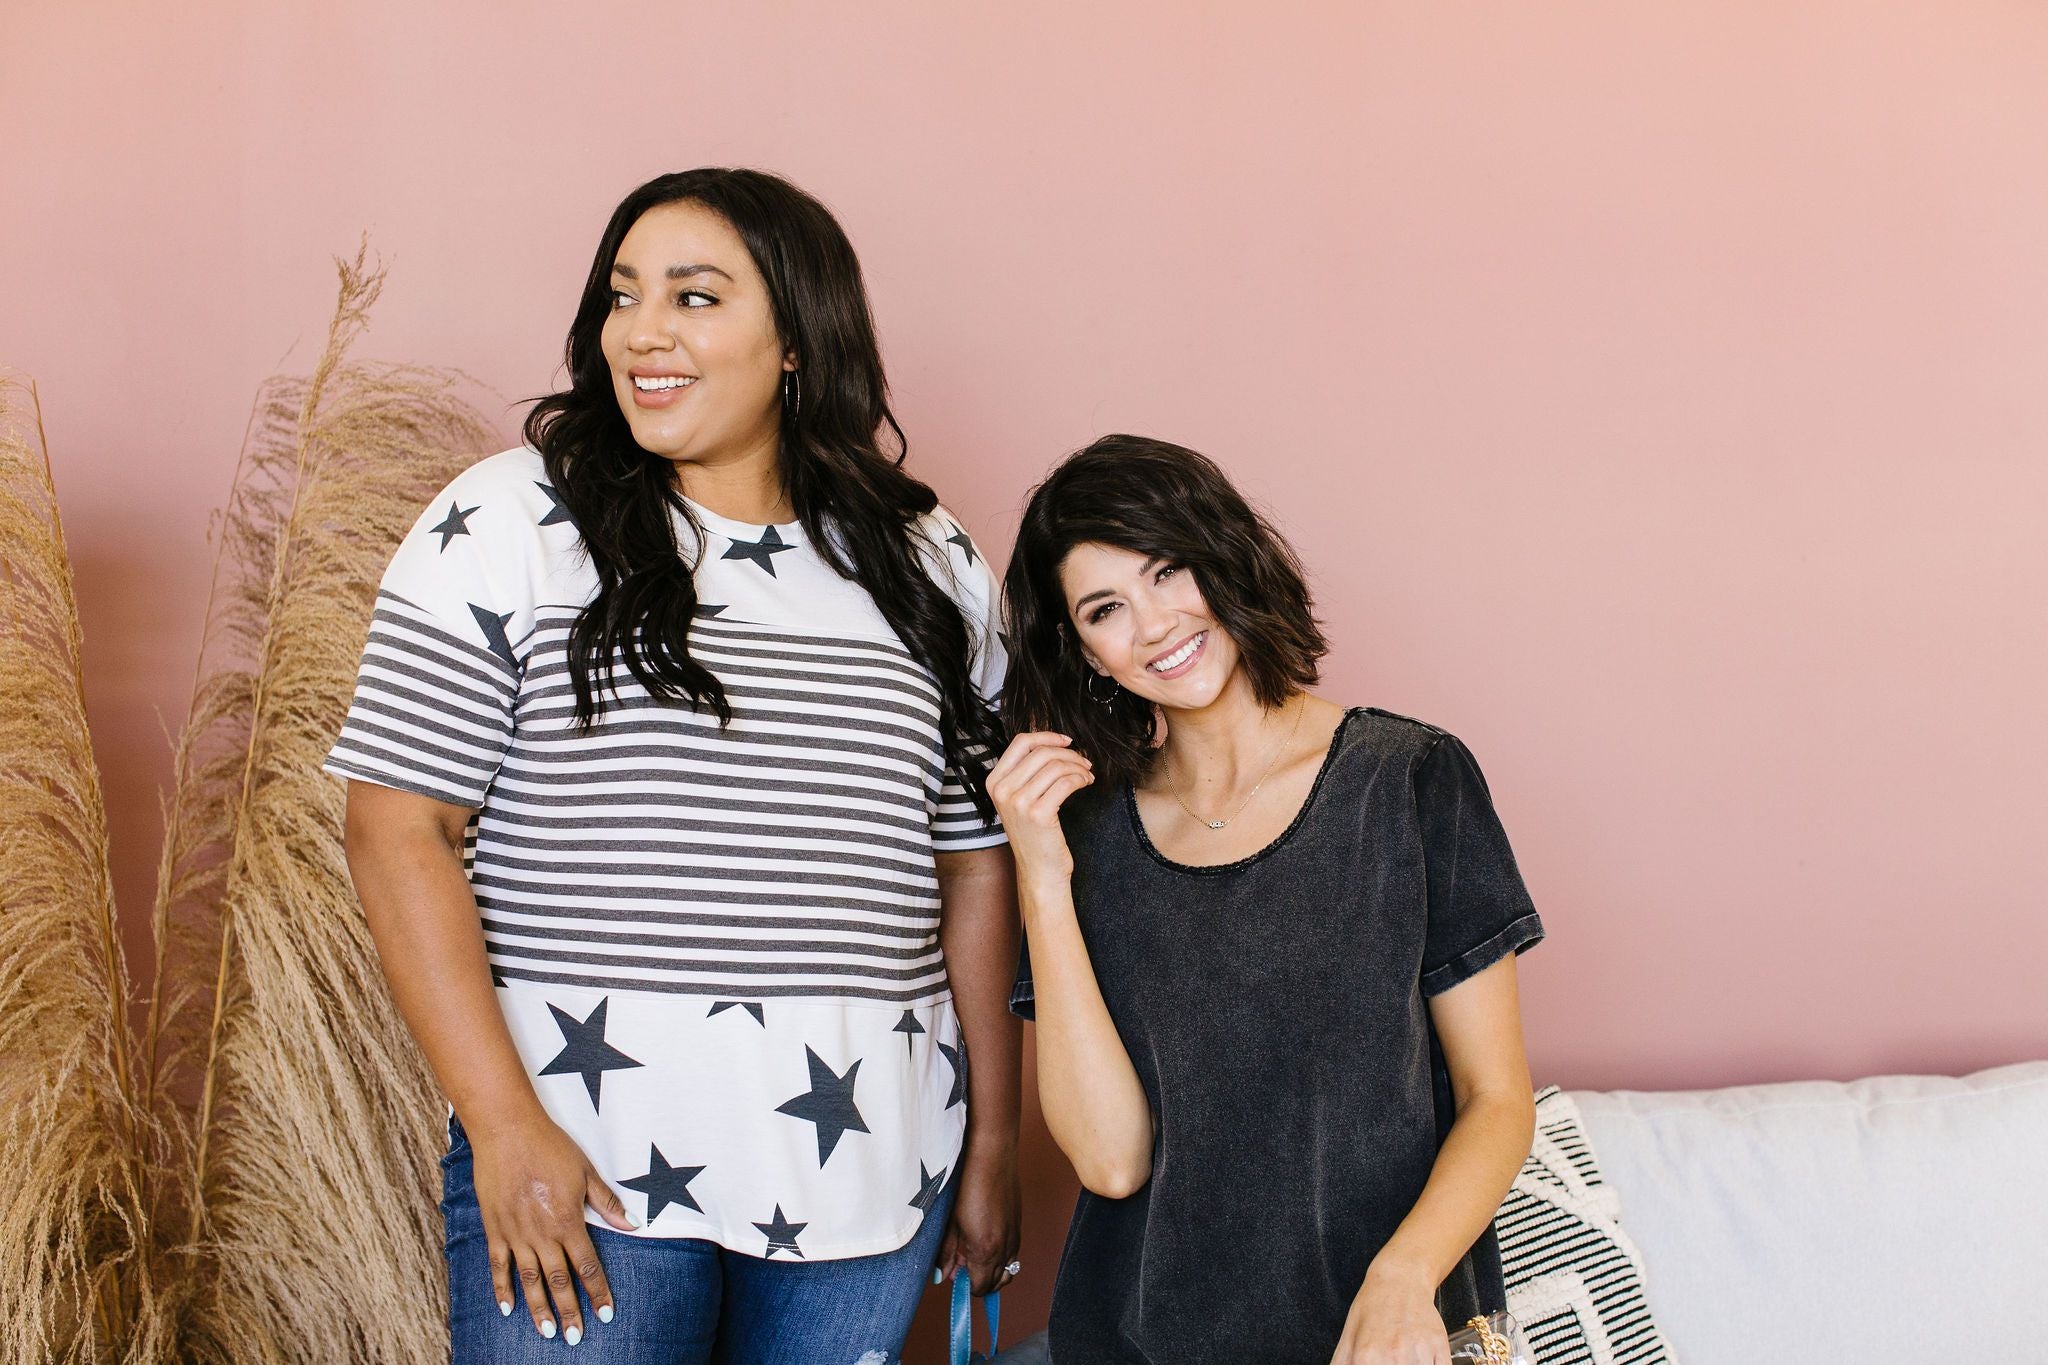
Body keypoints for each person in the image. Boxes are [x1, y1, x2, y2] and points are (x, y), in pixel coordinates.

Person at [327, 168, 1022, 1364]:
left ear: (798, 339)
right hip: (586, 1160)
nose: (641, 331)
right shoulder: (510, 521)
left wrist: (994, 1144)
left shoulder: (929, 559)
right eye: (622, 295)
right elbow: (397, 829)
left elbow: (970, 870)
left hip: (869, 1162)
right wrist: (500, 1127)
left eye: (695, 298)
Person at [991, 435, 1544, 1365]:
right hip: (1144, 1342)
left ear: (1226, 554)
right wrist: (1041, 880)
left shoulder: (1409, 781)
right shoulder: (1083, 837)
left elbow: (1498, 1098)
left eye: (1168, 571)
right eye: (1105, 608)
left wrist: (1402, 1279)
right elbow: (1111, 1158)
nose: (1157, 623)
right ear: (1081, 649)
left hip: (1381, 1339)